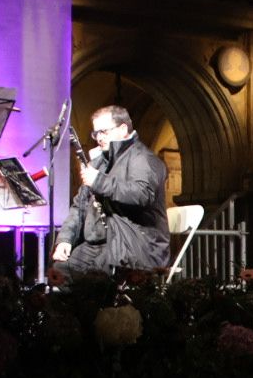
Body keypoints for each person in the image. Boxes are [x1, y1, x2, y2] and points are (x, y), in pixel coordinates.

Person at [52, 104, 170, 277]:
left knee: (94, 278)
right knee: (60, 272)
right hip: (100, 244)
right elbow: (79, 206)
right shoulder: (99, 163)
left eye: (104, 132)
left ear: (123, 129)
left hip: (134, 244)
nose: (99, 137)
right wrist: (65, 239)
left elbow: (142, 194)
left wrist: (98, 181)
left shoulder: (144, 158)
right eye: (96, 133)